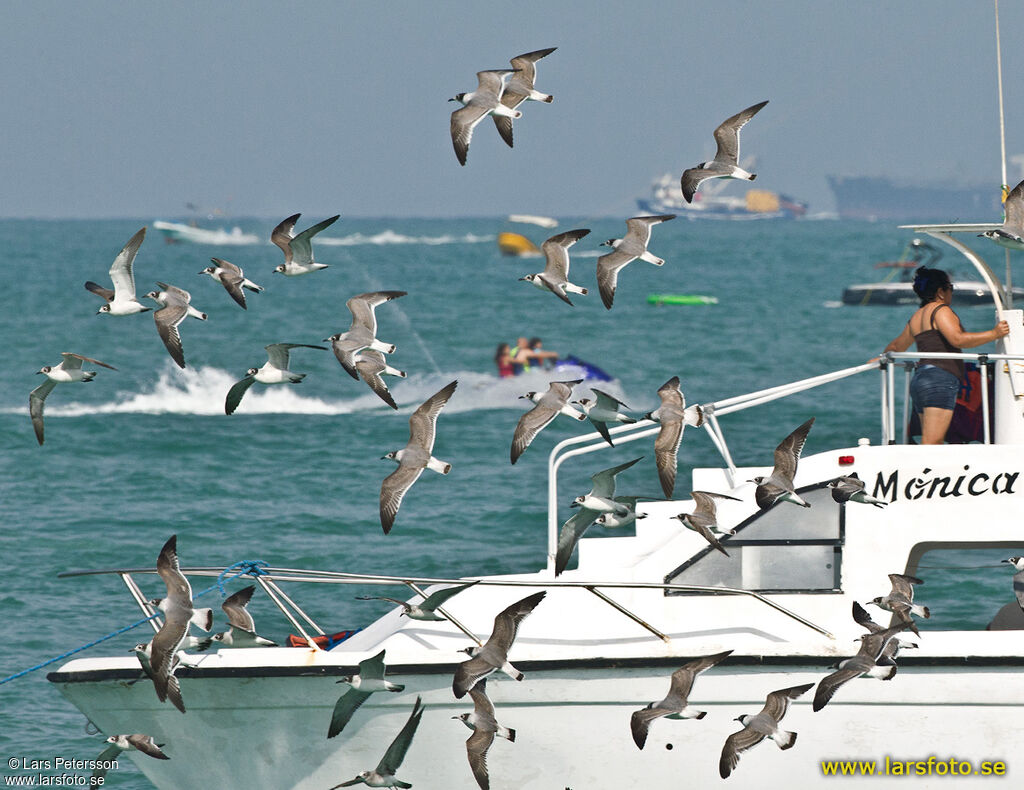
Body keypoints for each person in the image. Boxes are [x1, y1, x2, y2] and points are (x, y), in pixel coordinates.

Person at [881, 266, 1009, 444]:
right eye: (951, 288)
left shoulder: (917, 316)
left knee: (931, 441)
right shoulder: (941, 310)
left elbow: (897, 345)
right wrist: (994, 334)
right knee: (933, 442)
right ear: (941, 292)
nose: (952, 293)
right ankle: (922, 470)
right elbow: (957, 339)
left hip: (921, 380)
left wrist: (881, 357)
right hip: (939, 379)